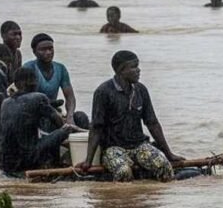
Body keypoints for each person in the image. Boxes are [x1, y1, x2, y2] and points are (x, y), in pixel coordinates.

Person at [75, 51, 184, 182]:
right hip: (113, 149)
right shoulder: (103, 92)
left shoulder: (140, 90)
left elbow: (152, 123)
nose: (139, 70)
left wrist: (169, 154)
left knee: (164, 166)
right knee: (123, 172)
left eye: (137, 66)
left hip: (139, 146)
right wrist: (88, 161)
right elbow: (96, 128)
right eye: (134, 67)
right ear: (121, 70)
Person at [0, 68, 80, 175]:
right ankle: (57, 161)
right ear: (34, 82)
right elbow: (59, 122)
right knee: (66, 129)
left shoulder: (5, 102)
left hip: (5, 162)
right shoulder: (38, 97)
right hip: (27, 159)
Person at [22, 33, 90, 130]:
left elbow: (70, 97)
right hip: (35, 114)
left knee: (81, 117)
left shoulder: (60, 69)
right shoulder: (29, 68)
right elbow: (24, 99)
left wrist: (70, 116)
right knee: (46, 122)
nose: (48, 52)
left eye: (50, 48)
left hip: (54, 111)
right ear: (34, 52)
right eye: (43, 50)